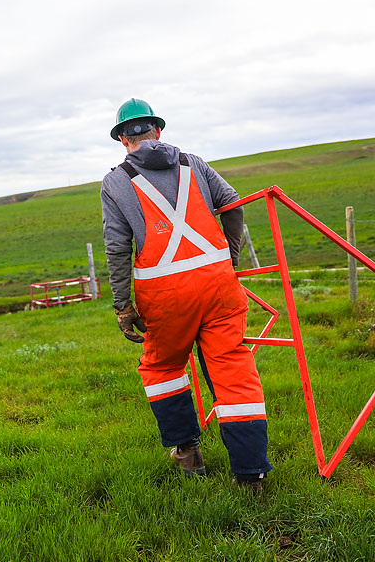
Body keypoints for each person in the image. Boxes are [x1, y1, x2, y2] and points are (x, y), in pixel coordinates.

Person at [100, 98, 272, 491]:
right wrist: (228, 257)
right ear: (157, 131)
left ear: (123, 138)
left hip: (165, 295)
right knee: (233, 370)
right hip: (219, 286)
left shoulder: (114, 182)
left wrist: (123, 306)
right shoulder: (194, 162)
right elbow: (233, 205)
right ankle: (251, 474)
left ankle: (188, 452)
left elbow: (116, 247)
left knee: (162, 369)